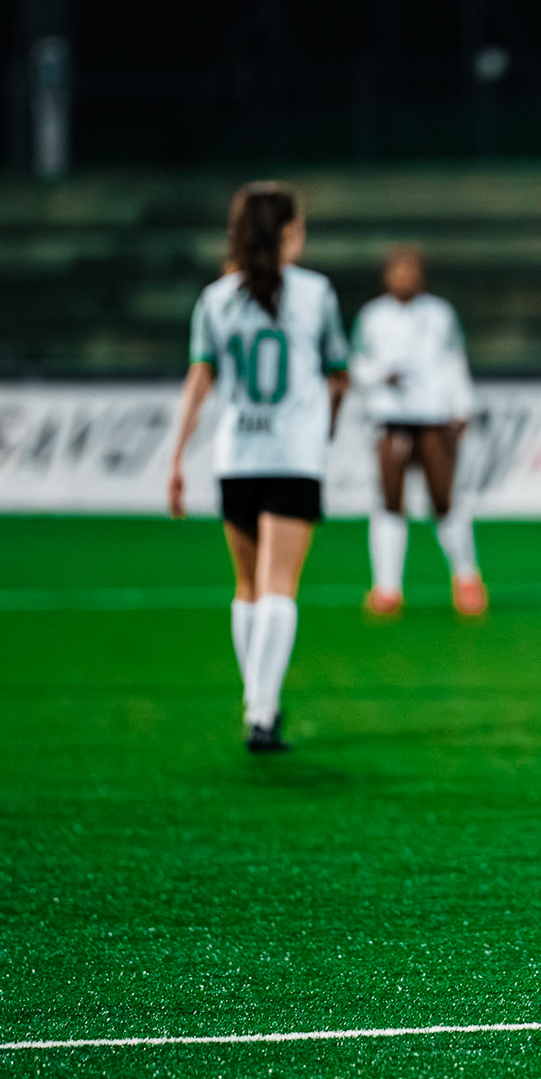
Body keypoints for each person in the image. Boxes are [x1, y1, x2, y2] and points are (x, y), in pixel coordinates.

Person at [168, 181, 350, 753]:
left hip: (235, 456)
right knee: (279, 585)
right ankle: (264, 710)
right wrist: (329, 418)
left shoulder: (215, 298)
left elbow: (200, 379)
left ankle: (256, 701)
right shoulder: (315, 293)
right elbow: (338, 373)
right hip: (292, 454)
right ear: (288, 233)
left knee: (247, 586)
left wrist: (175, 458)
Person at [349, 246, 485, 617]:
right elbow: (356, 364)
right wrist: (380, 375)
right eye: (397, 269)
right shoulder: (371, 316)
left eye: (410, 269)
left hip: (433, 416)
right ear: (386, 275)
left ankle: (467, 579)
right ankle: (388, 588)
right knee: (389, 500)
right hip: (389, 416)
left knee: (444, 499)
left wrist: (462, 407)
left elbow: (455, 360)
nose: (403, 276)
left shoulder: (440, 314)